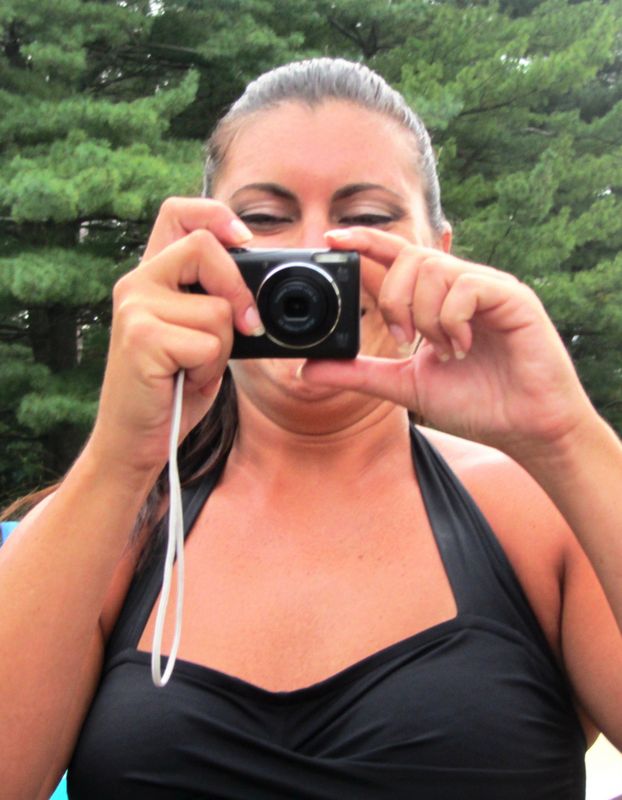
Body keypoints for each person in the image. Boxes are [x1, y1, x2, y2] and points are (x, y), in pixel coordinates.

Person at [1, 57, 621, 800]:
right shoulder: (118, 527)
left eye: (368, 219)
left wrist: (565, 435)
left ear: (440, 254)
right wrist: (121, 452)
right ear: (193, 258)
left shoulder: (540, 516)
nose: (316, 252)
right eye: (264, 219)